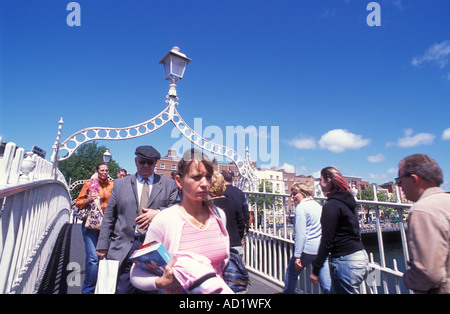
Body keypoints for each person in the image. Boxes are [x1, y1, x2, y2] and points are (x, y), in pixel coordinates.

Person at [130, 148, 232, 294]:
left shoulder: (219, 216)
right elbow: (136, 273)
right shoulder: (165, 220)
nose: (204, 183)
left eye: (208, 177)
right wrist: (161, 282)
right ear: (179, 181)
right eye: (196, 177)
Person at [96, 145, 180, 294]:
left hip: (154, 249)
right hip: (125, 247)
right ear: (136, 161)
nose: (146, 165)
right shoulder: (120, 184)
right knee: (122, 290)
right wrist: (102, 244)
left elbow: (178, 211)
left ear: (155, 163)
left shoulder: (169, 185)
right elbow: (110, 215)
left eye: (150, 162)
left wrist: (159, 213)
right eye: (142, 162)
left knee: (150, 291)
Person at [310, 166, 369, 294]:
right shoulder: (349, 202)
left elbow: (327, 240)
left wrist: (316, 268)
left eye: (320, 180)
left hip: (345, 261)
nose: (319, 183)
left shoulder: (331, 206)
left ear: (329, 180)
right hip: (360, 257)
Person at [397, 154, 450, 294]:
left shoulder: (423, 210)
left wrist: (408, 278)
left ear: (414, 179)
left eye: (399, 181)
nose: (399, 186)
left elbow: (430, 274)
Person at [283, 183, 331, 294]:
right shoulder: (318, 206)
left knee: (291, 274)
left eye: (295, 194)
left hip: (307, 249)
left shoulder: (301, 208)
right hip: (320, 249)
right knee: (326, 282)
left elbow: (300, 234)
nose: (292, 196)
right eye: (292, 194)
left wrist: (297, 256)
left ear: (303, 193)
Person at [75, 162, 114, 294]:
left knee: (105, 258)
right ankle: (88, 290)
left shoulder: (112, 185)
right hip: (91, 225)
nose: (104, 172)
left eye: (106, 170)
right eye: (102, 170)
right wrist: (87, 200)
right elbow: (78, 203)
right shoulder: (89, 184)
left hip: (107, 225)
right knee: (93, 259)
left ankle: (103, 288)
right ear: (96, 171)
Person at [211, 171, 245, 255]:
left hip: (217, 249)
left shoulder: (206, 206)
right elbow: (241, 223)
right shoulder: (232, 202)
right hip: (235, 245)